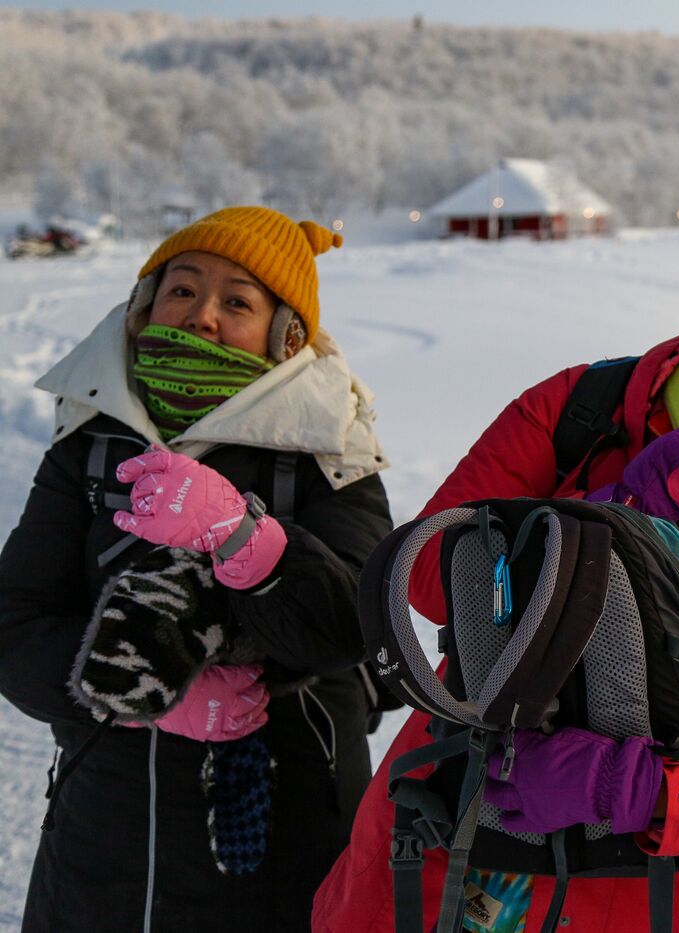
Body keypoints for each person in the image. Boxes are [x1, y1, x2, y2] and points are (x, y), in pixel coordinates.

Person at [314, 234, 679, 933]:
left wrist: (633, 788)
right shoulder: (588, 410)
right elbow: (427, 575)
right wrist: (609, 521)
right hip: (452, 844)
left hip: (646, 897)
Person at [0, 206, 394, 931]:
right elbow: (14, 625)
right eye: (181, 289)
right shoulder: (86, 445)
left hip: (287, 844)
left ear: (286, 338)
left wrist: (247, 539)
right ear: (144, 310)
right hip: (100, 852)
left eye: (237, 301)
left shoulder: (329, 450)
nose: (202, 316)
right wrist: (122, 690)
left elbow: (357, 627)